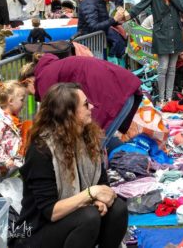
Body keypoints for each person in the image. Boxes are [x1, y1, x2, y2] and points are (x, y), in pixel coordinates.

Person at [13, 83, 128, 248]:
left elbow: (103, 185)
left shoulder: (88, 138)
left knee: (117, 208)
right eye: (86, 104)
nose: (93, 107)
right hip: (36, 231)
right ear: (69, 113)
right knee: (88, 217)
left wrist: (100, 199)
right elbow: (50, 212)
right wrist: (90, 194)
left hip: (74, 219)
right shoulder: (41, 149)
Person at [19, 53, 143, 152]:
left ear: (29, 81)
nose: (34, 96)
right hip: (123, 89)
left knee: (93, 147)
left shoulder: (43, 77)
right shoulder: (53, 68)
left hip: (115, 95)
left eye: (30, 94)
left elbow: (52, 114)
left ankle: (96, 181)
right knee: (97, 145)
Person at [124, 0, 183, 105]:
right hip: (161, 34)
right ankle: (161, 98)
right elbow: (139, 6)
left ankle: (169, 97)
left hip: (176, 33)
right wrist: (126, 17)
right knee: (163, 67)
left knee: (172, 68)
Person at [0, 80, 27, 178]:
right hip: (6, 165)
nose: (24, 103)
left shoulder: (12, 116)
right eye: (22, 100)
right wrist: (6, 160)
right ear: (10, 101)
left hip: (15, 161)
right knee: (9, 186)